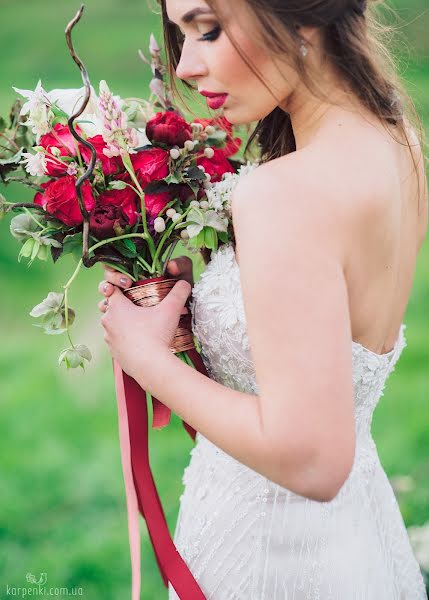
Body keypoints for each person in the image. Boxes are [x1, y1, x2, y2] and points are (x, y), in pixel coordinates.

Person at [98, 0, 428, 597]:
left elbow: (312, 461)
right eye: (181, 37)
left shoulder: (285, 194)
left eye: (208, 30)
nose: (187, 67)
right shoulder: (396, 137)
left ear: (301, 17)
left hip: (266, 560)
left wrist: (144, 356)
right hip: (357, 538)